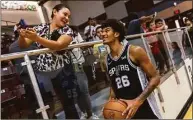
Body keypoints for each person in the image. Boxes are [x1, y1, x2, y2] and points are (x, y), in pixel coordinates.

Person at [18, 4, 79, 119]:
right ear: (55, 12)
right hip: (44, 72)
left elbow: (59, 45)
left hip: (63, 71)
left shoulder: (68, 30)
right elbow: (23, 45)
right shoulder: (41, 28)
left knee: (68, 104)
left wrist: (37, 38)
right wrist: (21, 36)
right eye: (65, 14)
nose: (67, 18)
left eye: (69, 16)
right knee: (48, 105)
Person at [101, 19, 162, 119]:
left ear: (116, 34)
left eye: (106, 30)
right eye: (102, 31)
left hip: (145, 106)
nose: (102, 34)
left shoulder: (134, 51)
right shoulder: (106, 60)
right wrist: (110, 102)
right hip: (125, 111)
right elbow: (113, 83)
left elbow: (155, 77)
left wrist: (137, 101)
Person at [69, 25, 99, 119]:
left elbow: (82, 46)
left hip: (79, 64)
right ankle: (83, 113)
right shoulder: (58, 34)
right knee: (76, 92)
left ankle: (90, 114)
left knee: (84, 90)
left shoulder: (75, 33)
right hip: (67, 67)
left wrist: (90, 44)